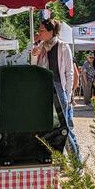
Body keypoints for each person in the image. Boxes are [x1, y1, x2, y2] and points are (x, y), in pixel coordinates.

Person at [32, 18, 79, 159]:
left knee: (64, 128)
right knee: (48, 126)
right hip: (43, 91)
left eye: (41, 30)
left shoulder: (63, 47)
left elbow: (70, 72)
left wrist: (68, 94)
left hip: (59, 91)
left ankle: (77, 162)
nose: (39, 33)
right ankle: (59, 159)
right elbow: (34, 67)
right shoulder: (39, 46)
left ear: (51, 32)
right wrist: (34, 54)